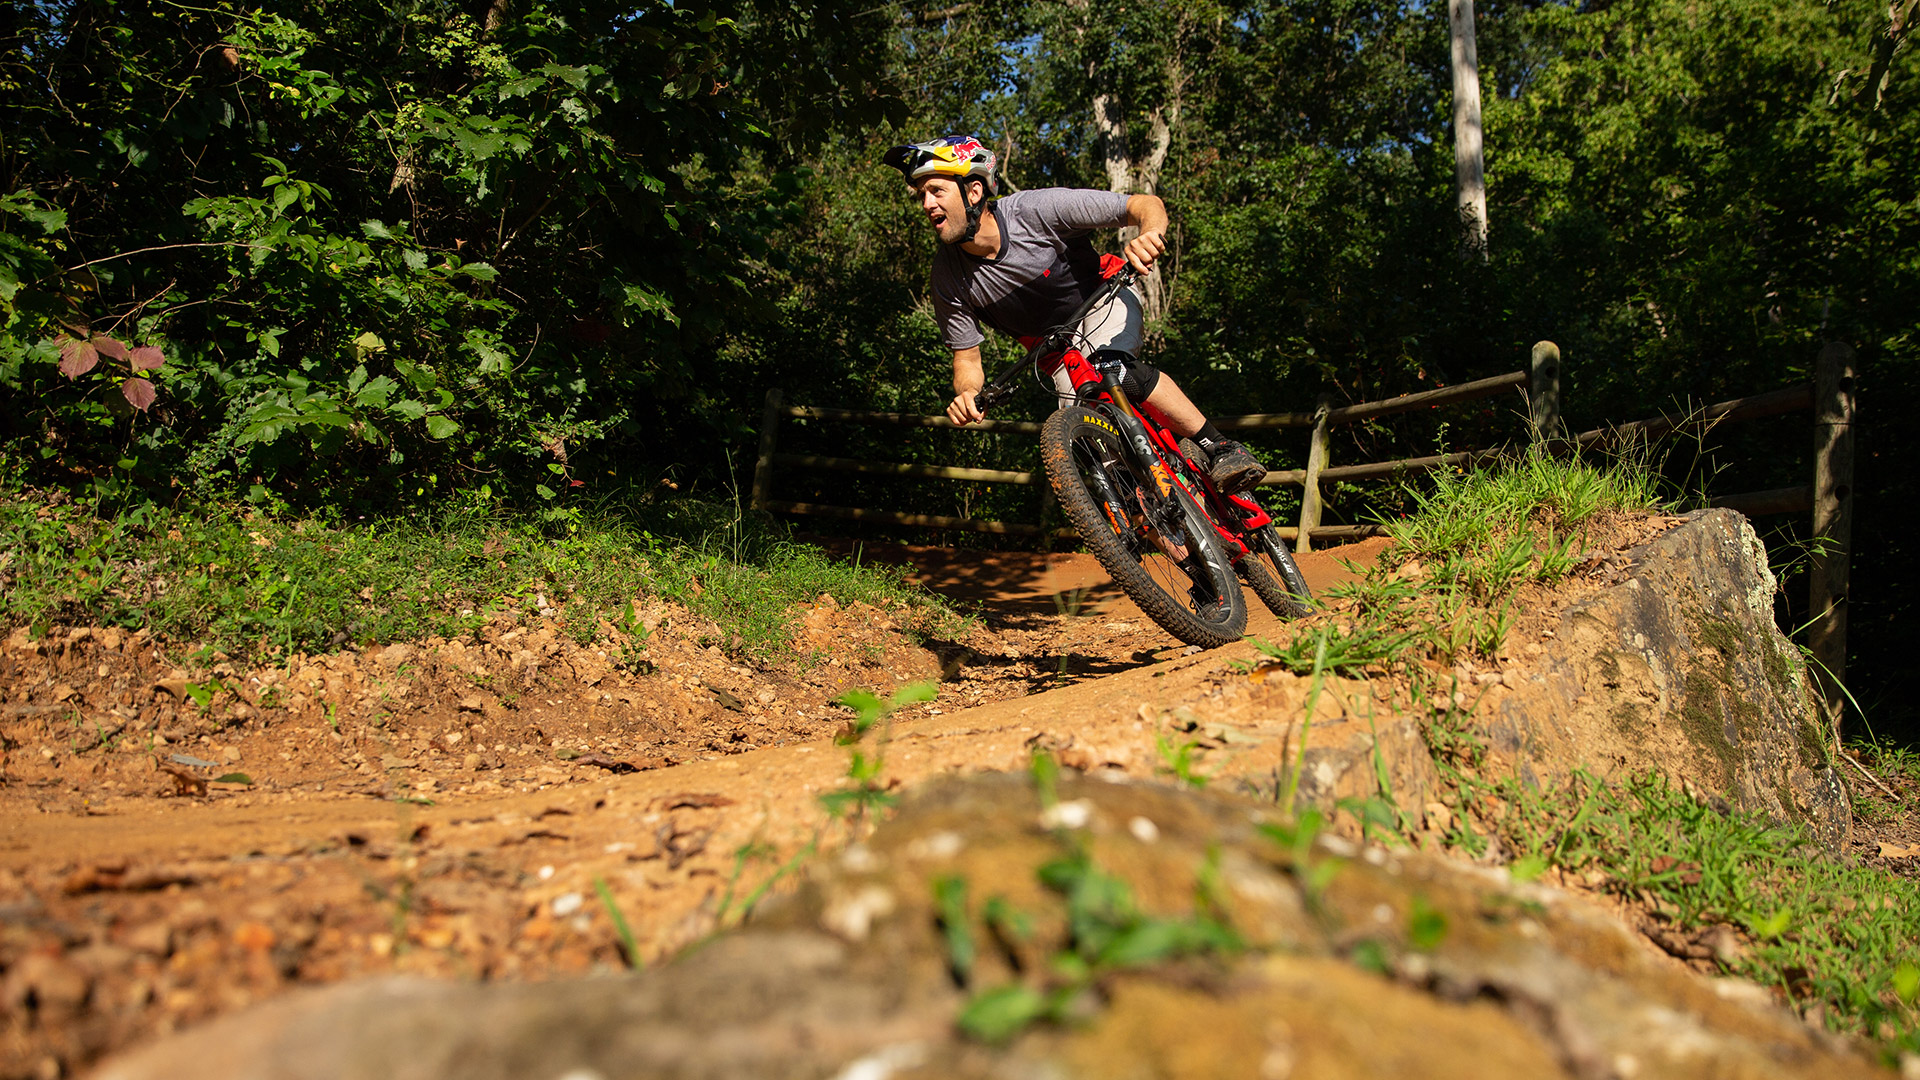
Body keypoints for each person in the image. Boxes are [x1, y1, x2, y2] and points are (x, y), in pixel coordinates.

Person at [882, 134, 1267, 494]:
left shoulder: (1035, 211)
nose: (927, 204)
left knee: (1110, 368)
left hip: (1104, 298)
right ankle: (1181, 546)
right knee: (1097, 451)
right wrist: (968, 393)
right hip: (1057, 351)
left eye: (936, 191)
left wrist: (1149, 234)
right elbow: (966, 358)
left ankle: (1220, 447)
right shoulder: (947, 276)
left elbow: (1144, 205)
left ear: (974, 190)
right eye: (922, 195)